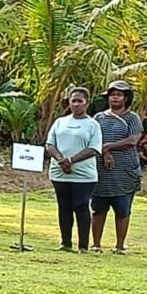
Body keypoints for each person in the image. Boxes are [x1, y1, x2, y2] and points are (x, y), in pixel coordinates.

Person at [45, 87, 103, 253]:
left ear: (87, 103)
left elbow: (93, 148)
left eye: (80, 101)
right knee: (64, 207)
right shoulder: (60, 122)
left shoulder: (93, 125)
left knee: (81, 206)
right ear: (69, 102)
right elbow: (50, 144)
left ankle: (83, 246)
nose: (76, 104)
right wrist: (61, 160)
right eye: (73, 101)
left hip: (83, 175)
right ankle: (66, 243)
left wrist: (71, 160)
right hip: (59, 173)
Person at [91, 80, 143, 254]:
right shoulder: (99, 118)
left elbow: (133, 140)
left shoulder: (132, 118)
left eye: (119, 95)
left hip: (125, 171)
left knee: (122, 209)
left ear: (125, 98)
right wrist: (105, 152)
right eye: (112, 95)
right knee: (98, 208)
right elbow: (94, 140)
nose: (115, 98)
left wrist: (109, 147)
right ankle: (96, 244)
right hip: (101, 170)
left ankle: (120, 246)